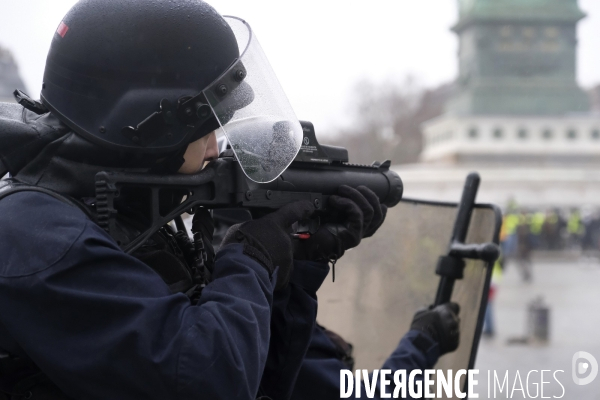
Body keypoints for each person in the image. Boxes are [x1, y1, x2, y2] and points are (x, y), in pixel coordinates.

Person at [0, 1, 461, 399]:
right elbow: (208, 382)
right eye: (205, 127)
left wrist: (294, 269)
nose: (216, 148)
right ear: (145, 126)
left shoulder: (120, 215)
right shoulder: (35, 237)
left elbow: (261, 383)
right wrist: (251, 259)